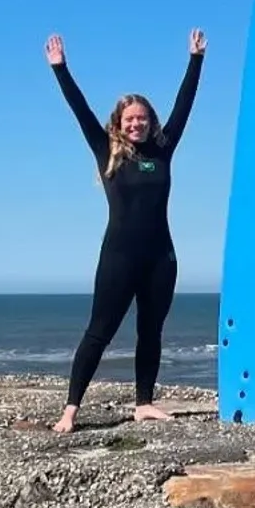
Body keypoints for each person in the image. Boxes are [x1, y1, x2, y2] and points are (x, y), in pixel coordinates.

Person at [44, 29, 204, 434]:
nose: (137, 123)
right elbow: (79, 109)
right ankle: (70, 409)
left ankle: (144, 403)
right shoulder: (106, 150)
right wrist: (60, 69)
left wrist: (195, 60)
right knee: (100, 331)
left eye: (143, 118)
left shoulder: (162, 149)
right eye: (130, 118)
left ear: (151, 122)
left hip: (161, 258)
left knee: (150, 331)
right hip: (119, 256)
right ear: (119, 123)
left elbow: (184, 107)